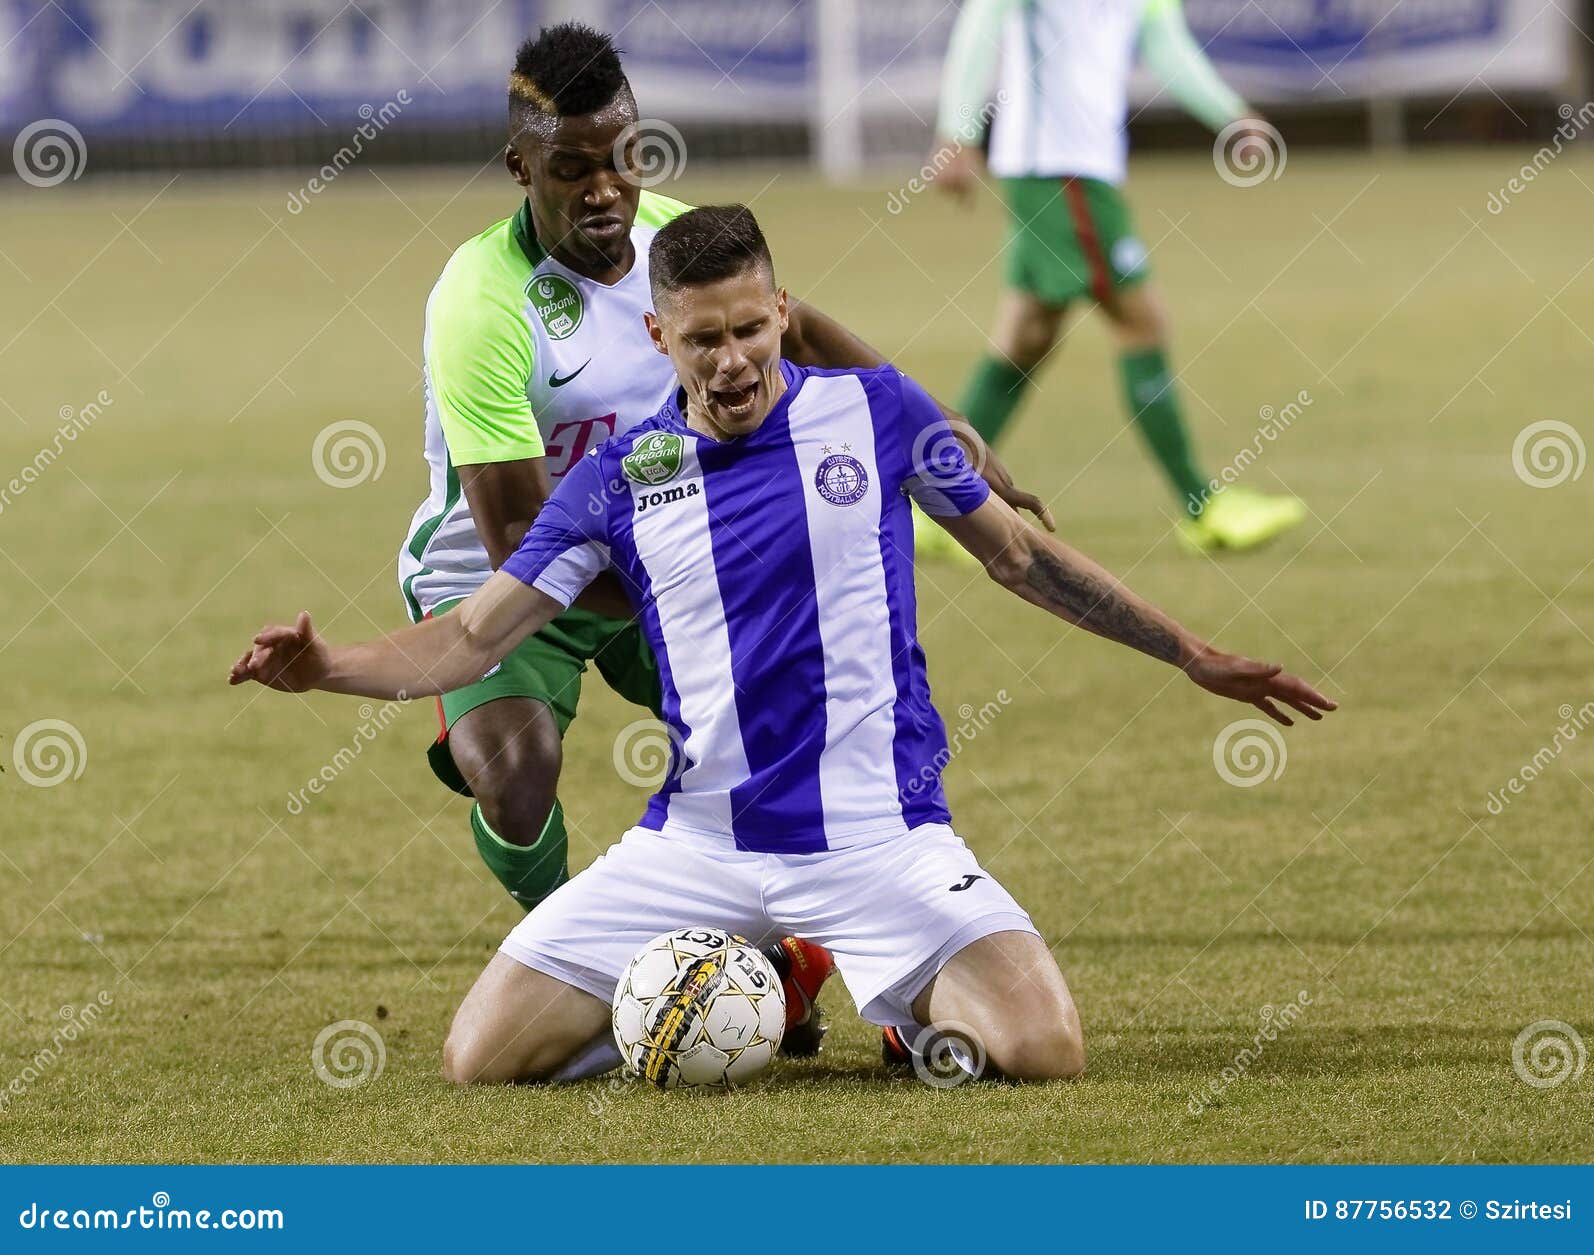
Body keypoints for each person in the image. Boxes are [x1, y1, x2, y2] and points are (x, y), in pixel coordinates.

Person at [233, 204, 1334, 1083]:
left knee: (1044, 1050)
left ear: (781, 314)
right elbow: (474, 638)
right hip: (698, 845)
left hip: (878, 835)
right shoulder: (617, 480)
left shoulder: (878, 412)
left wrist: (1190, 651)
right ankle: (713, 986)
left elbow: (1019, 558)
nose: (730, 362)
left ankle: (900, 1017)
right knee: (478, 1058)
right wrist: (325, 667)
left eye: (749, 329)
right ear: (660, 337)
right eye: (702, 338)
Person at [399, 22, 1047, 1050]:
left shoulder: (676, 245)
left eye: (624, 155)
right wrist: (691, 588)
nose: (606, 186)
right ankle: (597, 960)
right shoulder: (478, 302)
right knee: (514, 775)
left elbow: (809, 336)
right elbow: (518, 528)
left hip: (665, 547)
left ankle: (862, 970)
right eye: (573, 169)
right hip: (508, 573)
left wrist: (968, 462)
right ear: (521, 166)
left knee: (793, 747)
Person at [930, 0, 1305, 551]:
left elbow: (1166, 48)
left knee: (1024, 343)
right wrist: (958, 131)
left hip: (1075, 171)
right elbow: (983, 19)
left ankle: (937, 505)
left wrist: (1231, 114)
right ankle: (1203, 508)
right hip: (1058, 171)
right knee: (1141, 324)